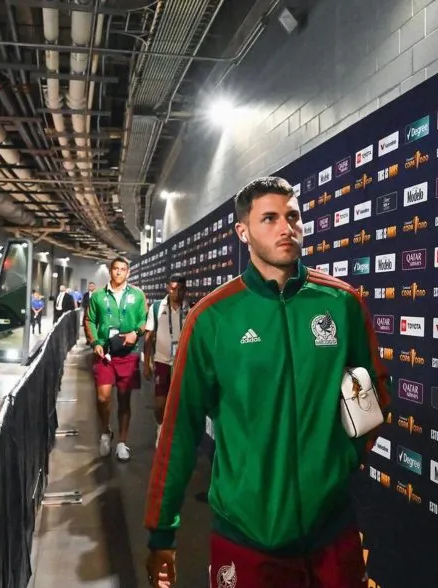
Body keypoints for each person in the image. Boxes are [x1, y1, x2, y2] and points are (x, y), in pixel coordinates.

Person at [144, 176, 390, 587]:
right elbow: (180, 429)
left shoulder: (343, 303)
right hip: (245, 537)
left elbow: (374, 394)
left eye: (293, 217)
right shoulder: (212, 318)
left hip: (332, 531)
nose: (286, 228)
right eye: (270, 218)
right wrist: (161, 532)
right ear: (243, 232)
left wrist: (341, 459)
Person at [84, 257, 148, 461]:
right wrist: (95, 342)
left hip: (128, 353)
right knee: (102, 397)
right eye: (116, 269)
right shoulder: (98, 296)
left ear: (128, 273)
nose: (119, 272)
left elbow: (144, 319)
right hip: (105, 353)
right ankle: (105, 430)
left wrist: (136, 333)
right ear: (110, 271)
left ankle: (122, 442)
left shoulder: (138, 295)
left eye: (123, 269)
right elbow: (89, 320)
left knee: (124, 398)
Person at [143, 274, 189, 448]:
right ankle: (160, 428)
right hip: (161, 361)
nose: (176, 293)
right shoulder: (156, 307)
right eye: (173, 289)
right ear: (167, 288)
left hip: (183, 363)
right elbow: (149, 336)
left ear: (185, 290)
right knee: (160, 404)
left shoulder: (190, 308)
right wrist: (146, 363)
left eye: (180, 289)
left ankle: (178, 435)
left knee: (181, 403)